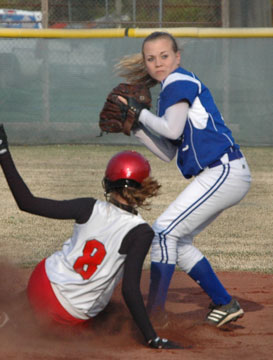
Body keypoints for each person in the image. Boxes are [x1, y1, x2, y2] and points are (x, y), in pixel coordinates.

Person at [0, 124, 182, 349]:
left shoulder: (89, 206)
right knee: (112, 320)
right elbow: (130, 290)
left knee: (69, 288)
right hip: (64, 316)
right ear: (144, 186)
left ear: (109, 182)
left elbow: (26, 202)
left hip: (40, 282)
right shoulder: (141, 232)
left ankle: (11, 311)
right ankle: (19, 324)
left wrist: (3, 151)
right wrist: (152, 338)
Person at [115, 31, 252, 327]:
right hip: (223, 172)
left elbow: (172, 130)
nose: (158, 62)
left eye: (164, 56)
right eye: (151, 59)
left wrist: (139, 112)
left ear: (177, 57)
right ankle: (224, 302)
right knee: (178, 239)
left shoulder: (179, 81)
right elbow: (168, 151)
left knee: (164, 231)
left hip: (223, 169)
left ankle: (153, 314)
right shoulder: (172, 90)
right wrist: (137, 128)